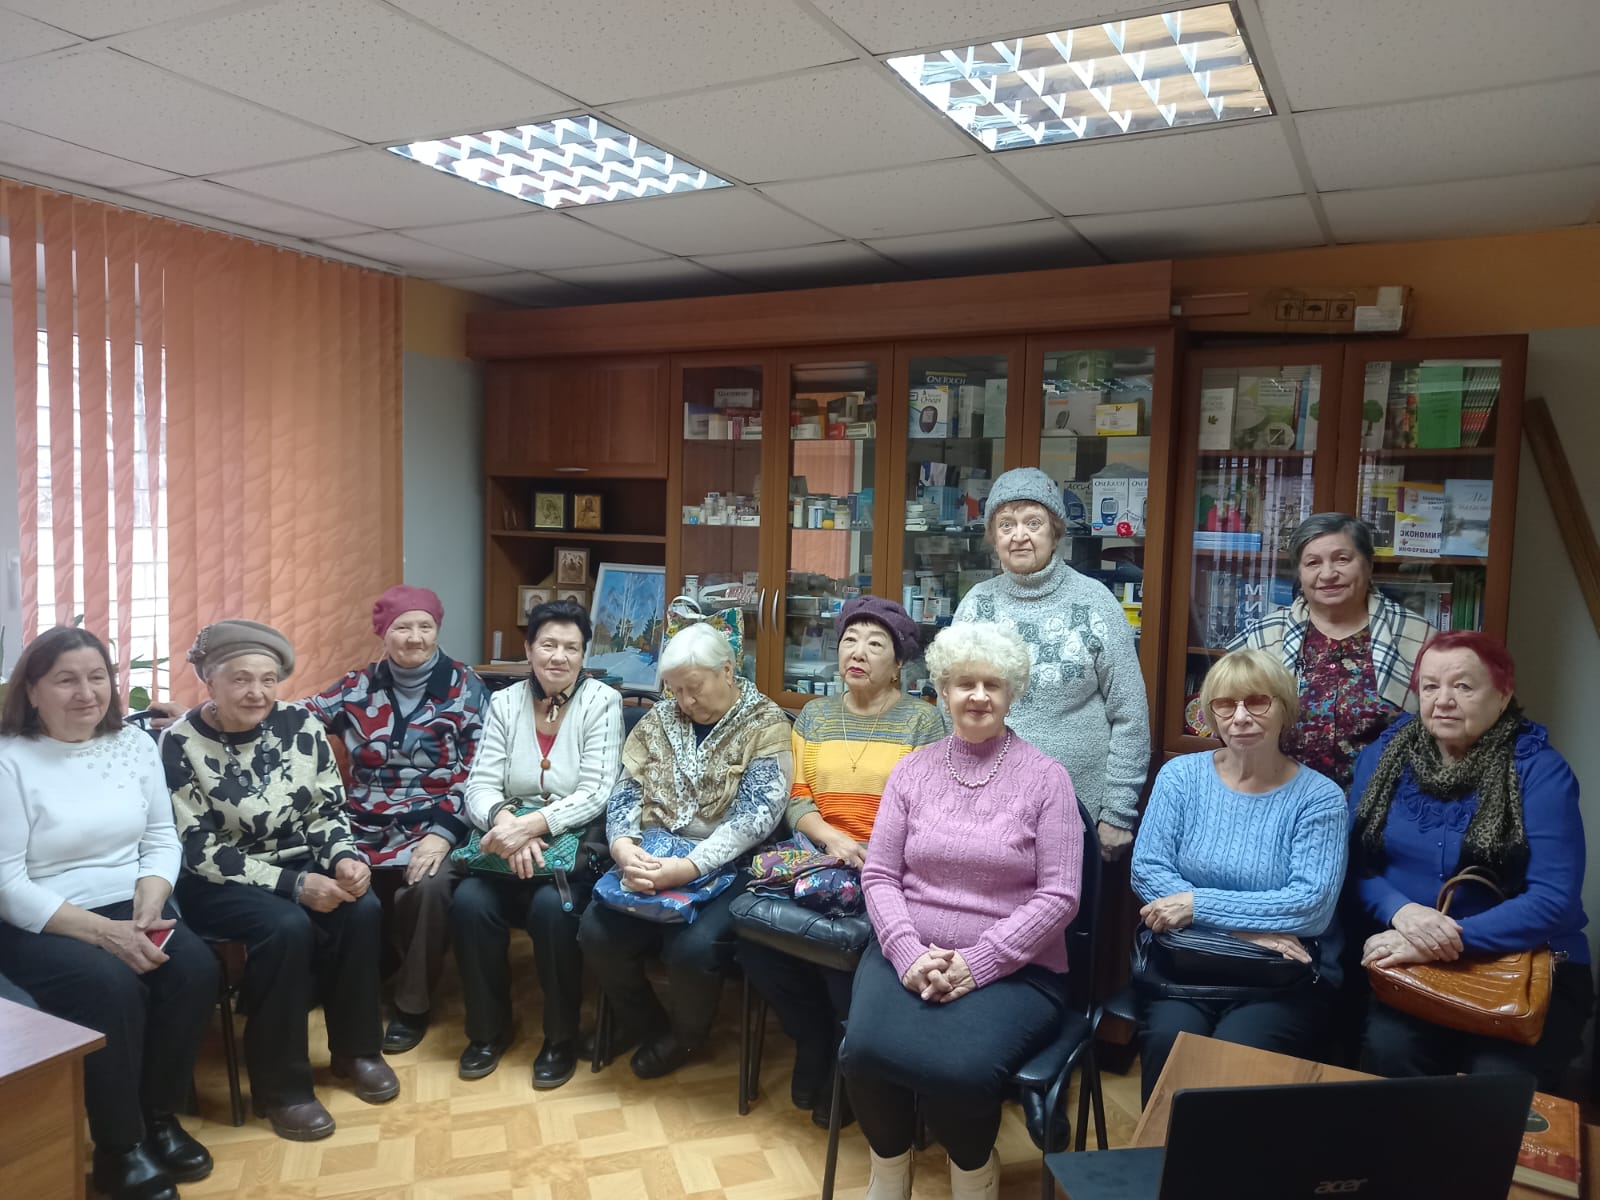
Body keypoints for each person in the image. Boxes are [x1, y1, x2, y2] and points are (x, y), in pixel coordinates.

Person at [841, 621, 1082, 1200]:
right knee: (862, 1053)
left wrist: (978, 962)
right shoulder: (912, 769)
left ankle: (973, 1172)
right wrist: (906, 952)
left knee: (959, 1069)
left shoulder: (1047, 779)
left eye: (992, 685)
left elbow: (1060, 895)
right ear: (943, 689)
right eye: (965, 684)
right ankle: (889, 1169)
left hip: (1016, 968)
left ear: (1011, 694)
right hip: (906, 951)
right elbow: (879, 874)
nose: (978, 696)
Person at [0, 628, 218, 1200]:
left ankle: (159, 1119)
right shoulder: (9, 759)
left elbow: (161, 836)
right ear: (32, 690)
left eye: (97, 677)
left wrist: (152, 895)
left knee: (194, 970)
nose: (86, 693)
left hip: (132, 901)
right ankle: (120, 1148)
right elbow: (7, 884)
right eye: (66, 680)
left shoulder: (134, 743)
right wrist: (105, 933)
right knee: (109, 987)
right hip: (43, 916)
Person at [163, 619, 397, 1141]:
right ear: (209, 681)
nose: (257, 692)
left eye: (268, 680)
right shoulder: (178, 742)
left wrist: (343, 859)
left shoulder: (301, 724)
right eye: (241, 679)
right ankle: (282, 1089)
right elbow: (198, 848)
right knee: (286, 927)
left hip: (299, 862)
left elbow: (326, 810)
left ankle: (356, 1052)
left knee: (363, 907)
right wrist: (295, 887)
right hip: (217, 880)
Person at [1349, 631, 1591, 1091]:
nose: (1443, 700)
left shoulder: (1540, 770)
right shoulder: (1383, 757)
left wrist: (1436, 941)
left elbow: (1553, 900)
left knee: (1498, 1084)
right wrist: (1401, 911)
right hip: (1413, 959)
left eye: (1463, 686)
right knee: (1388, 1052)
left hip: (1525, 961)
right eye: (1430, 686)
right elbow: (1356, 864)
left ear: (1502, 695)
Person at [737, 596, 943, 1128]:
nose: (858, 652)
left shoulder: (923, 723)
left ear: (899, 663)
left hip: (886, 868)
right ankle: (811, 1039)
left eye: (875, 644)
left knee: (839, 951)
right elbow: (796, 796)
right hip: (817, 858)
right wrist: (831, 839)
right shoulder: (815, 715)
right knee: (756, 941)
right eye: (850, 640)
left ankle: (841, 1059)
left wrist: (870, 854)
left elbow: (927, 811)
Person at [1130, 649, 1347, 1103]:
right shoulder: (1180, 776)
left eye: (1257, 702)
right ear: (1211, 714)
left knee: (1238, 1057)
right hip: (1186, 964)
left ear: (1284, 707)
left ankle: (1234, 1154)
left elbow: (1311, 905)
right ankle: (1161, 1149)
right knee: (1170, 1043)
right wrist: (1243, 929)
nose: (1241, 717)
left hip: (1277, 978)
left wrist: (1196, 905)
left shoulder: (1320, 798)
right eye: (1226, 705)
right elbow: (1147, 870)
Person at [578, 622, 792, 1079]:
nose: (685, 701)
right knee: (597, 931)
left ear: (727, 671)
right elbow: (626, 790)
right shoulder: (660, 719)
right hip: (653, 850)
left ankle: (684, 1037)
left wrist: (689, 866)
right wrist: (623, 845)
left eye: (694, 688)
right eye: (675, 690)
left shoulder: (766, 723)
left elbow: (756, 816)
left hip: (732, 864)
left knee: (692, 949)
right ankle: (644, 1023)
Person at [302, 585, 487, 1053]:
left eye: (425, 626)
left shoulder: (465, 685)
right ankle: (348, 979)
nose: (415, 637)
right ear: (383, 633)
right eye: (403, 627)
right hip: (363, 823)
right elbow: (298, 718)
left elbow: (480, 773)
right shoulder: (357, 685)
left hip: (437, 820)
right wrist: (215, 715)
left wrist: (444, 834)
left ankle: (412, 1004)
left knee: (429, 887)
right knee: (324, 871)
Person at [451, 600, 622, 1088]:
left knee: (553, 910)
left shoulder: (603, 701)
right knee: (469, 903)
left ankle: (560, 1038)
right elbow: (480, 785)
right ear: (528, 649)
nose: (559, 656)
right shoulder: (504, 702)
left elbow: (598, 791)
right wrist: (506, 822)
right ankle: (487, 1032)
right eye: (548, 644)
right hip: (506, 841)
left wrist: (534, 826)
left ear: (584, 655)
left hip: (571, 845)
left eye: (572, 647)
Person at [953, 466, 1149, 859]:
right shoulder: (976, 604)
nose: (1019, 535)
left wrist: (1117, 812)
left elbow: (1130, 713)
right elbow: (951, 709)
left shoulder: (1094, 602)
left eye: (1033, 522)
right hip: (986, 808)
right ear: (993, 537)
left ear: (1055, 532)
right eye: (1006, 524)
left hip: (1078, 810)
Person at [1230, 513, 1433, 788]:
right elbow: (1229, 719)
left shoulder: (1418, 637)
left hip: (1389, 800)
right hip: (1283, 797)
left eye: (1342, 559)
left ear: (1369, 565)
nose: (1327, 574)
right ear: (1299, 574)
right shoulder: (1265, 637)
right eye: (1313, 563)